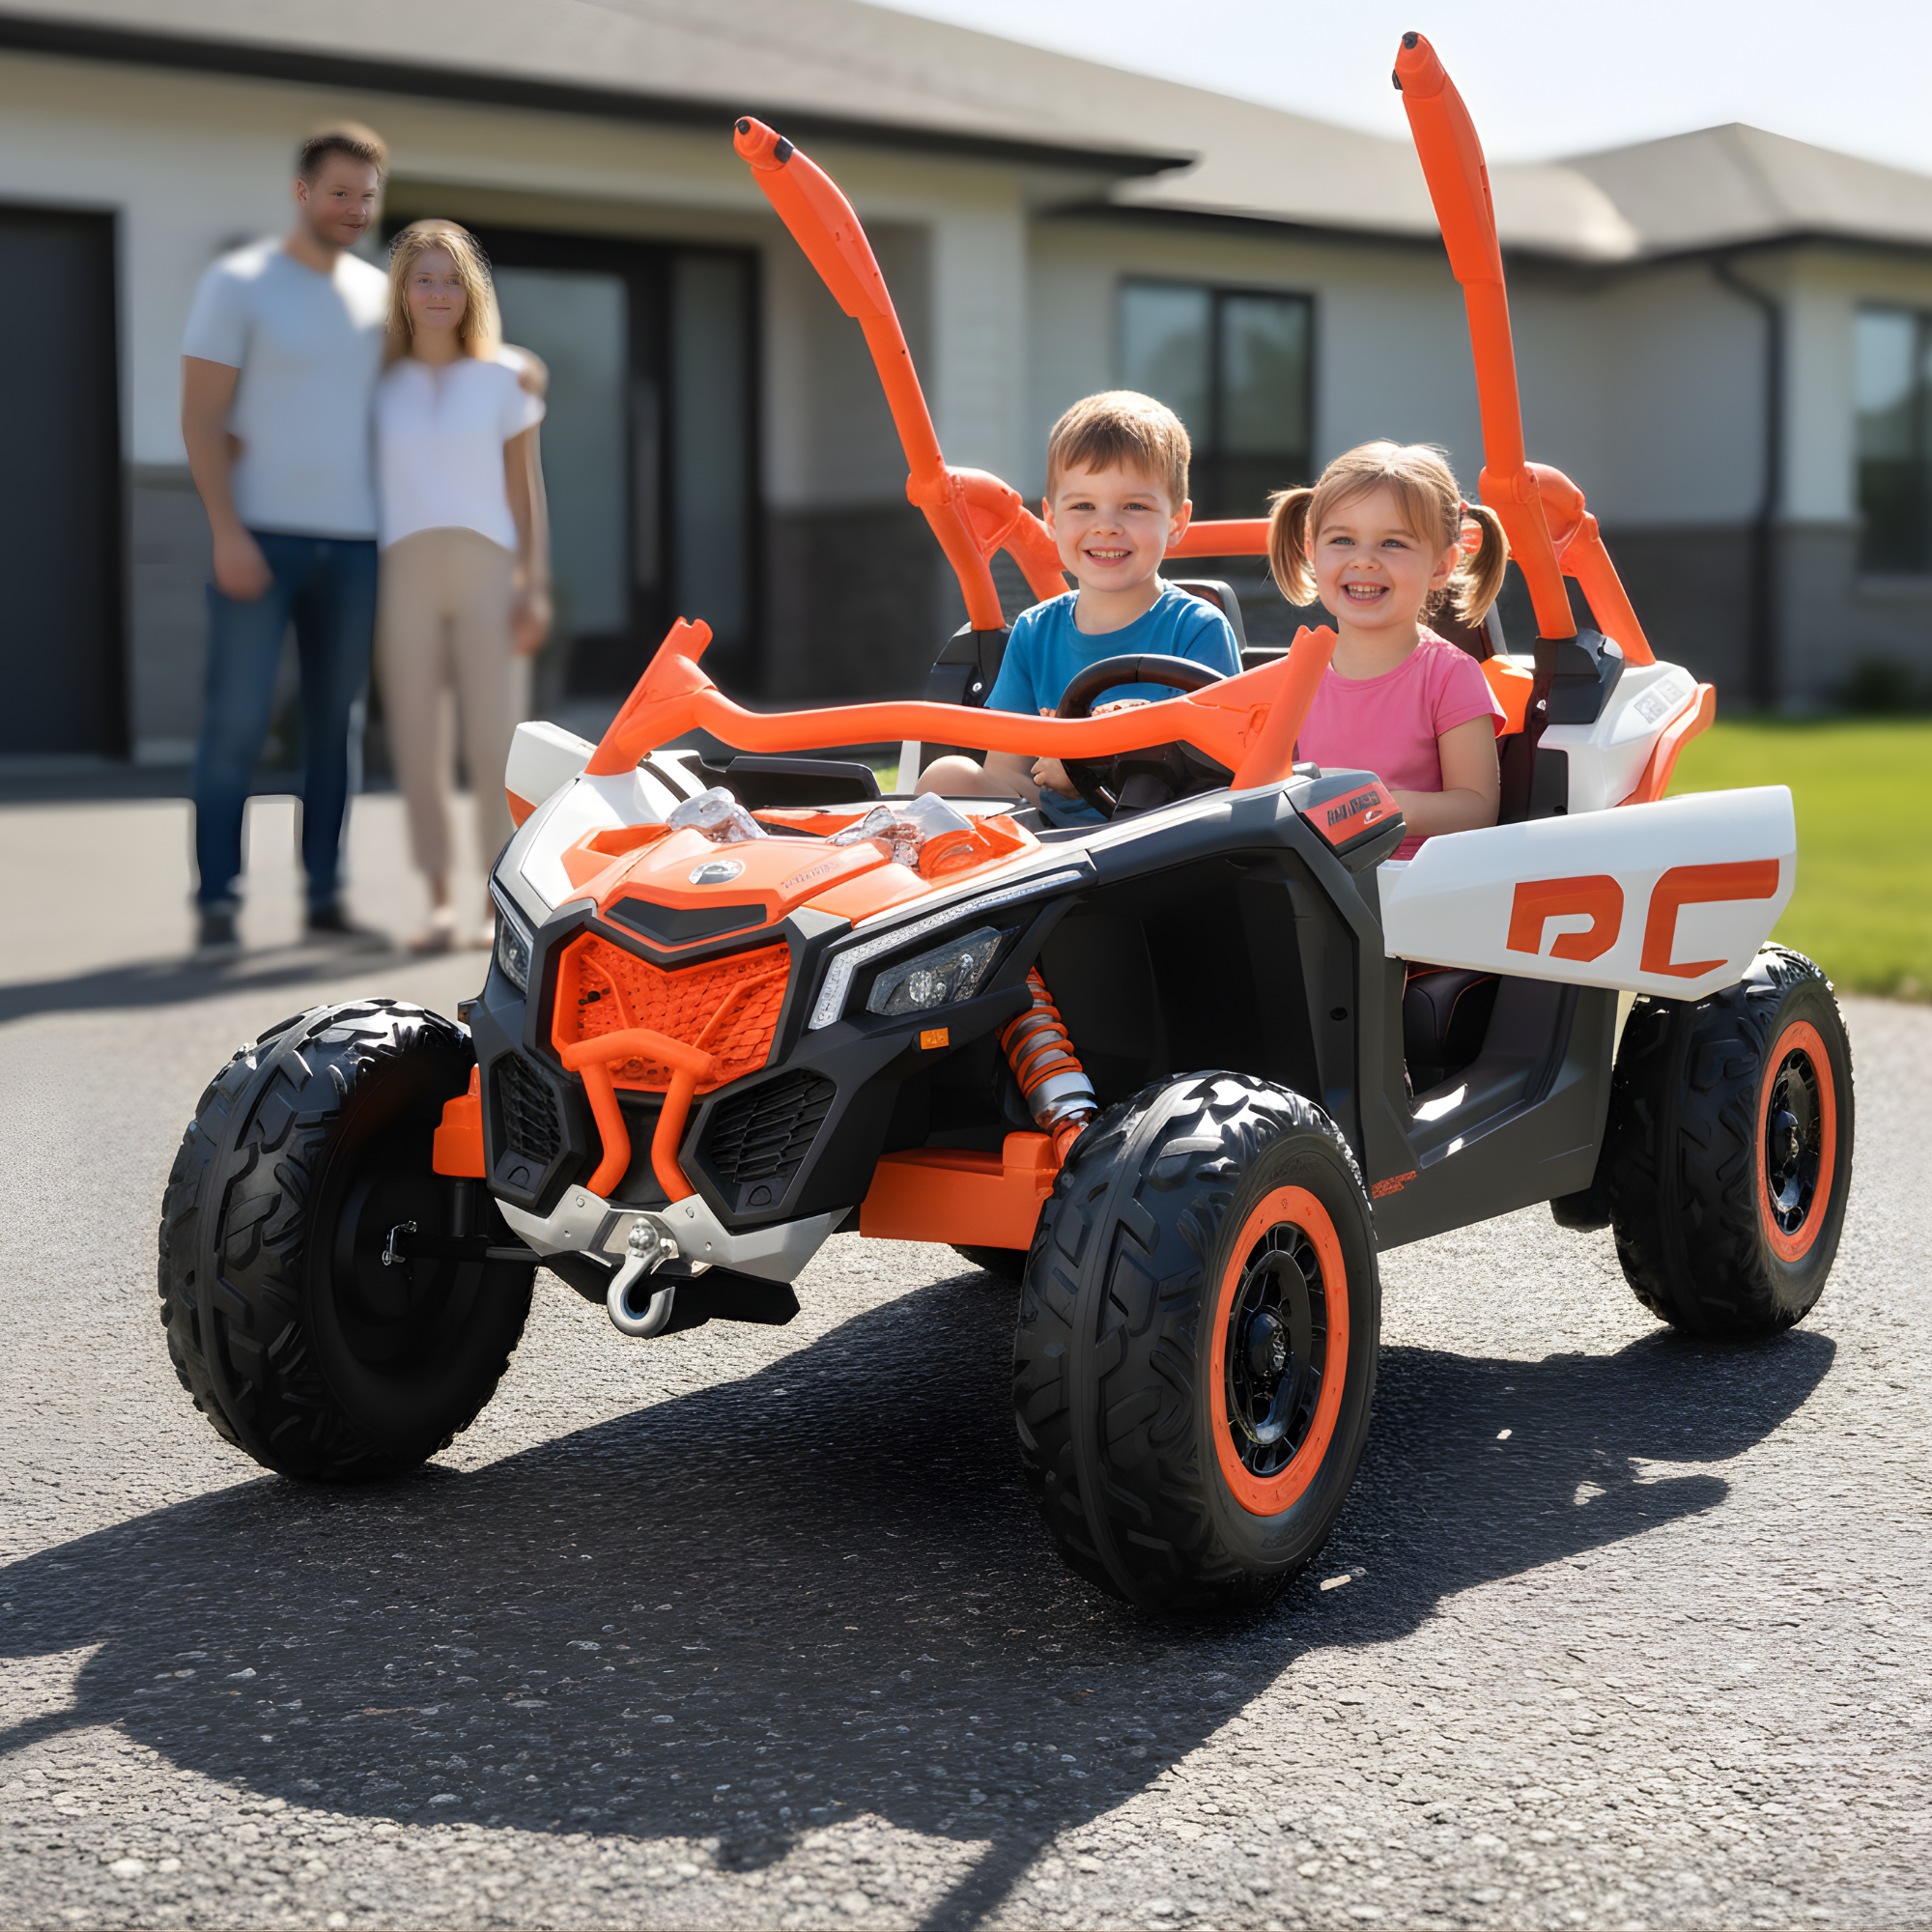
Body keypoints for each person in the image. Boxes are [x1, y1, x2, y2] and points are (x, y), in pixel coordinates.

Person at [180, 124, 391, 955]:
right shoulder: (239, 285)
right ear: (303, 193)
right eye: (340, 192)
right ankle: (220, 899)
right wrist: (226, 530)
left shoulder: (380, 296)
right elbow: (200, 417)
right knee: (235, 723)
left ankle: (326, 895)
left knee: (334, 726)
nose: (355, 209)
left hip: (356, 544)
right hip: (258, 539)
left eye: (369, 196)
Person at [916, 391, 1241, 823]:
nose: (1106, 526)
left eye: (1134, 506)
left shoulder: (1196, 627)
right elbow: (1007, 772)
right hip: (1051, 843)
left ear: (1177, 522)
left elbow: (1216, 771)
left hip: (1161, 839)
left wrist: (1089, 766)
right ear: (1051, 519)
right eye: (1083, 506)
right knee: (949, 774)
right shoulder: (1034, 631)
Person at [373, 219, 550, 952]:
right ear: (404, 293)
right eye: (424, 278)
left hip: (486, 568)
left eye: (451, 279)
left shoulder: (508, 375)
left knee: (492, 740)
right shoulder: (378, 383)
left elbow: (526, 487)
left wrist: (532, 586)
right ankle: (442, 899)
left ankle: (494, 902)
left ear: (469, 291)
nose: (438, 292)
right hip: (403, 569)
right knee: (417, 737)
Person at [1266, 440, 1509, 858]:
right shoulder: (1294, 676)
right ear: (1311, 549)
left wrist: (1381, 806)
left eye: (1392, 544)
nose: (1364, 561)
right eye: (1342, 540)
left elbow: (1478, 807)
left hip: (1414, 887)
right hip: (1315, 882)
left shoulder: (1450, 675)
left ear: (1441, 566)